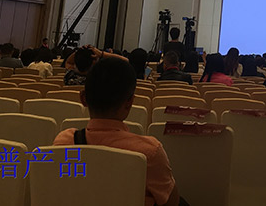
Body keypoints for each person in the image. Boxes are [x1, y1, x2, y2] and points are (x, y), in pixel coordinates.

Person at [53, 58, 180, 206]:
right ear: (129, 102)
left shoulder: (64, 142)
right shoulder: (150, 152)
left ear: (83, 98)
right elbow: (171, 201)